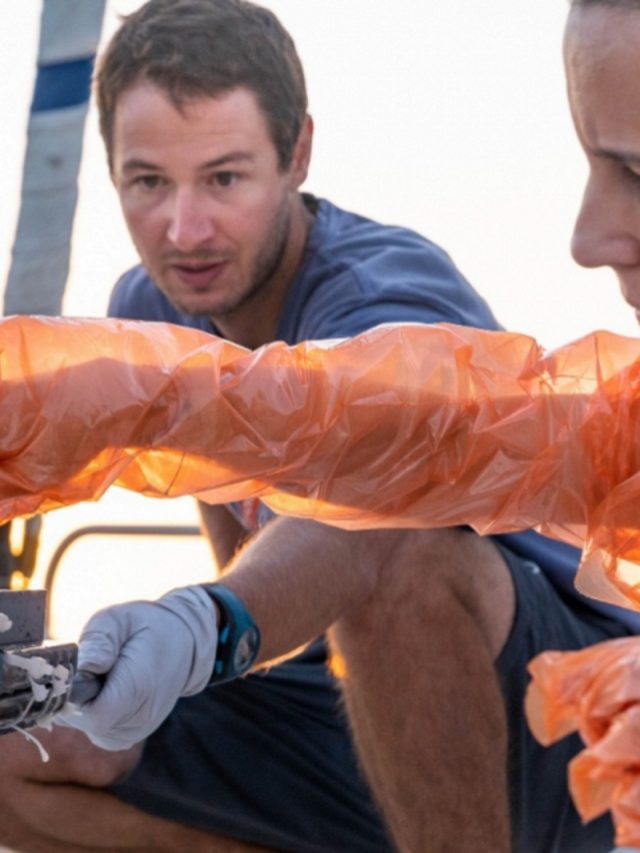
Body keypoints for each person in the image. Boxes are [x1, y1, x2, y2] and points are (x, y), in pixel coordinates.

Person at [0, 1, 636, 851]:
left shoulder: (384, 297)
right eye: (148, 182)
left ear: (296, 154)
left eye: (224, 178)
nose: (185, 230)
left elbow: (371, 518)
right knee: (23, 748)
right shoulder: (151, 308)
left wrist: (203, 626)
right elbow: (243, 549)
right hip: (342, 694)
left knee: (394, 542)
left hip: (546, 696)